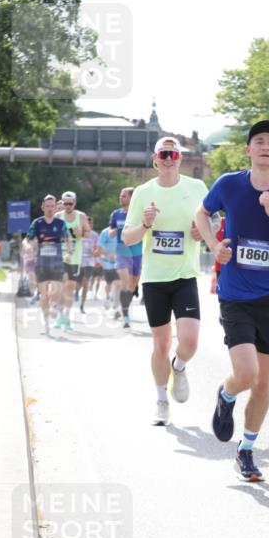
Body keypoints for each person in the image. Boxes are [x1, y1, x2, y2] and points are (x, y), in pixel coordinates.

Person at [195, 120, 269, 482]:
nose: (264, 146)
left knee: (262, 384)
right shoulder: (229, 184)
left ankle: (246, 450)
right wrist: (214, 245)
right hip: (235, 295)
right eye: (258, 141)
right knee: (246, 374)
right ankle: (227, 394)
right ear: (248, 149)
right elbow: (201, 213)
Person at [122, 137, 207, 425]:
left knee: (190, 341)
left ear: (180, 159)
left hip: (185, 275)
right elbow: (127, 237)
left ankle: (179, 367)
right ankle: (161, 401)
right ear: (155, 159)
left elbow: (213, 223)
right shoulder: (143, 193)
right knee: (161, 344)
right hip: (155, 278)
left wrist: (201, 233)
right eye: (164, 154)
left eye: (173, 154)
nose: (169, 159)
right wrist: (146, 224)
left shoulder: (197, 188)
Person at [27, 194, 68, 335]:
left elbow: (68, 239)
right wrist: (29, 246)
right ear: (43, 207)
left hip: (57, 262)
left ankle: (53, 302)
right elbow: (28, 239)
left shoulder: (61, 224)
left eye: (52, 206)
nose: (50, 209)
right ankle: (46, 323)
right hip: (42, 263)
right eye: (47, 206)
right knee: (43, 295)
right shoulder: (37, 223)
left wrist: (69, 250)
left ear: (56, 207)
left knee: (58, 289)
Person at [55, 190, 90, 330]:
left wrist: (81, 233)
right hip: (60, 257)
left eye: (70, 204)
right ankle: (59, 315)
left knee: (69, 288)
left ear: (74, 203)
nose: (68, 206)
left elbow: (88, 233)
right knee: (61, 287)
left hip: (74, 258)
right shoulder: (58, 216)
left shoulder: (81, 216)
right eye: (65, 204)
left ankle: (67, 317)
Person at [109, 187, 143, 329]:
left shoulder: (139, 213)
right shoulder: (116, 214)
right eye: (120, 195)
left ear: (131, 197)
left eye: (123, 196)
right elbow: (110, 231)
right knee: (125, 283)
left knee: (132, 286)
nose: (120, 197)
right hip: (122, 251)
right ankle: (125, 316)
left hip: (137, 252)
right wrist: (115, 231)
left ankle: (124, 309)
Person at [95, 224, 121, 312]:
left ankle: (116, 307)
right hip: (107, 263)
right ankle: (108, 297)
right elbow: (98, 250)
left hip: (119, 262)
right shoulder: (105, 232)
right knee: (108, 283)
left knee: (118, 284)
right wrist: (108, 253)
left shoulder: (122, 231)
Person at [76, 216, 98, 313]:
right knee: (78, 284)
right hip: (78, 263)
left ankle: (82, 305)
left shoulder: (95, 235)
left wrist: (95, 253)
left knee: (85, 283)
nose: (89, 225)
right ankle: (76, 292)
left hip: (90, 263)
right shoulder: (78, 234)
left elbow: (98, 248)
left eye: (91, 223)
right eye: (87, 223)